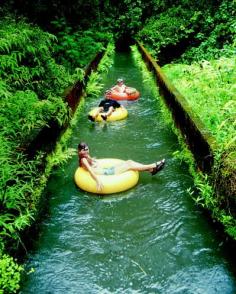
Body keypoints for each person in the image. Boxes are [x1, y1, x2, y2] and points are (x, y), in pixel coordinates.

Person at [78, 142, 165, 191]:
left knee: (129, 161)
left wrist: (94, 161)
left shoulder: (87, 156)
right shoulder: (83, 160)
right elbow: (90, 170)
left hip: (106, 169)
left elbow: (93, 161)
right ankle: (154, 165)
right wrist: (97, 180)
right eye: (84, 150)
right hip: (107, 173)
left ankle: (151, 170)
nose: (86, 151)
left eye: (87, 149)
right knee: (130, 165)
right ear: (79, 151)